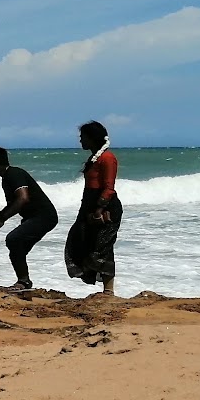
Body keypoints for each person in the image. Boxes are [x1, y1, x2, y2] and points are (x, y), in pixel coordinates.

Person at [0, 146, 58, 291]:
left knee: (13, 240)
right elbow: (13, 204)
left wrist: (2, 218)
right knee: (16, 247)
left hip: (44, 216)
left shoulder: (14, 174)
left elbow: (23, 198)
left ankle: (23, 282)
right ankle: (23, 283)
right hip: (35, 217)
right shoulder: (7, 178)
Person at [64, 120, 121, 295]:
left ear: (92, 138)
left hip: (105, 208)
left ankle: (108, 290)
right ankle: (98, 283)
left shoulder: (107, 158)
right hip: (89, 207)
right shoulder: (94, 158)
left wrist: (99, 210)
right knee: (78, 241)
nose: (80, 140)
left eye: (83, 137)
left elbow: (109, 188)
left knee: (103, 247)